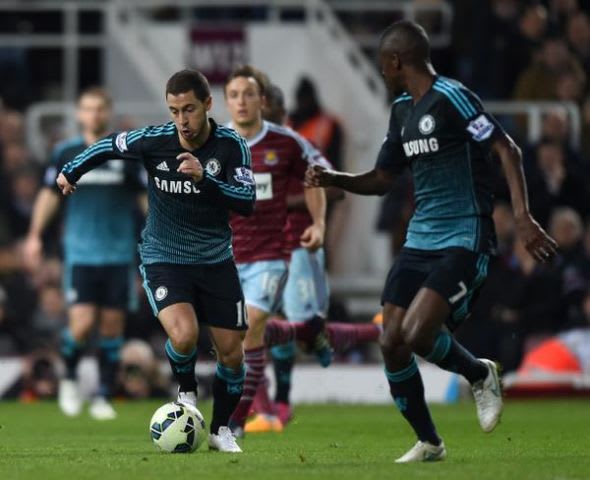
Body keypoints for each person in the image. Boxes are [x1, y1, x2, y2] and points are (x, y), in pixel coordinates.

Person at [306, 20, 558, 463]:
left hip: (465, 234)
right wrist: (334, 178)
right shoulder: (402, 110)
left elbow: (507, 149)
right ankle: (430, 442)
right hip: (421, 239)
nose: (383, 72)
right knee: (391, 341)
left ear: (396, 61)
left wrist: (522, 217)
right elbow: (384, 178)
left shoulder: (454, 98)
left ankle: (479, 374)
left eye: (383, 64)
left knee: (419, 333)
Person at [55, 69, 255, 453]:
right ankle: (187, 391)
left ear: (208, 105)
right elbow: (109, 145)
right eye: (175, 110)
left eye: (190, 109)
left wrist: (204, 179)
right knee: (184, 335)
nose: (182, 120)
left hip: (215, 259)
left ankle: (220, 430)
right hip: (164, 256)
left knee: (232, 352)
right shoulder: (155, 140)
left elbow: (247, 202)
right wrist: (71, 171)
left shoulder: (231, 146)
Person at [247, 83, 379, 433]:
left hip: (298, 247)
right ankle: (269, 409)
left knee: (304, 333)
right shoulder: (241, 149)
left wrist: (279, 200)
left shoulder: (299, 146)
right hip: (256, 251)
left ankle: (374, 331)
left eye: (266, 108)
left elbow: (334, 187)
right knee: (251, 326)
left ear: (279, 111)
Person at [23, 87, 145, 420]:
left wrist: (158, 234)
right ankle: (70, 380)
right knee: (80, 324)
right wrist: (34, 236)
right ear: (79, 114)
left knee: (111, 326)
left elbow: (144, 199)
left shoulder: (125, 154)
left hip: (119, 253)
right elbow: (49, 196)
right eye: (87, 109)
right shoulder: (66, 152)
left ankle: (104, 394)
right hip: (80, 252)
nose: (93, 114)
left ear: (108, 112)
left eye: (99, 109)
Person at [223, 66, 327, 436]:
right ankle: (320, 331)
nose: (242, 102)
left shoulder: (287, 143)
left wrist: (317, 223)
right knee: (238, 336)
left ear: (263, 102)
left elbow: (322, 179)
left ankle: (248, 415)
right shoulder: (215, 143)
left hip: (279, 250)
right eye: (234, 95)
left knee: (251, 327)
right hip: (228, 255)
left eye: (248, 95)